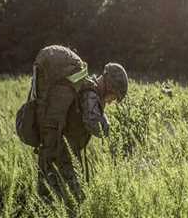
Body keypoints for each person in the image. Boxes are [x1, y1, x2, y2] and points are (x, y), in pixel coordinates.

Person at [29, 45, 128, 203]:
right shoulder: (90, 93)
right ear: (109, 86)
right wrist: (109, 129)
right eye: (114, 96)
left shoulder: (85, 89)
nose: (111, 102)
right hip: (62, 154)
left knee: (46, 199)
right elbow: (92, 122)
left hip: (51, 146)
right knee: (75, 200)